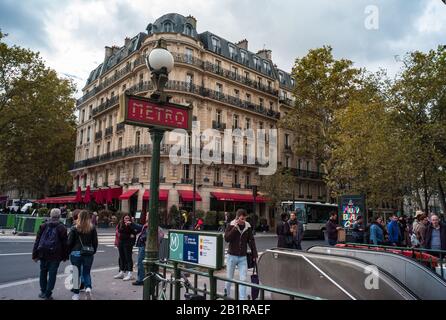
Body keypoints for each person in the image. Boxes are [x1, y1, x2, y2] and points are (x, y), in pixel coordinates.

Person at [32, 208, 68, 300]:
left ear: (50, 215)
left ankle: (43, 291)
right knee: (52, 274)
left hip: (43, 253)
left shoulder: (43, 225)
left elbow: (37, 241)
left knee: (43, 272)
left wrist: (34, 255)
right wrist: (65, 256)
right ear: (59, 216)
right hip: (55, 255)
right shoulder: (62, 227)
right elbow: (65, 244)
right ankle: (48, 293)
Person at [224, 209, 258, 300]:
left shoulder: (248, 226)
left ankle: (242, 299)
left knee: (243, 279)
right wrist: (235, 228)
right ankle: (225, 295)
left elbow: (251, 241)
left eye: (244, 219)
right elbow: (227, 238)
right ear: (237, 217)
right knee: (229, 278)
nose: (243, 221)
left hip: (243, 257)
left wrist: (255, 254)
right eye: (241, 219)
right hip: (232, 256)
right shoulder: (231, 225)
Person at [67, 210, 98, 300]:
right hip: (88, 253)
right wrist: (93, 251)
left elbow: (69, 243)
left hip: (75, 253)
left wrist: (69, 251)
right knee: (86, 272)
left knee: (76, 273)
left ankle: (76, 294)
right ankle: (88, 288)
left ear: (79, 217)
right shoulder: (92, 228)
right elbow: (95, 242)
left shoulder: (74, 228)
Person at [114, 214, 138, 281]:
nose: (126, 220)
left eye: (128, 218)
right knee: (121, 257)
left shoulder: (132, 225)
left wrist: (131, 233)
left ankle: (130, 273)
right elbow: (120, 234)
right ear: (123, 219)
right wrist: (128, 235)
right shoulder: (121, 224)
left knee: (128, 258)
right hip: (121, 243)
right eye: (125, 218)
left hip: (128, 244)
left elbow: (135, 232)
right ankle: (121, 272)